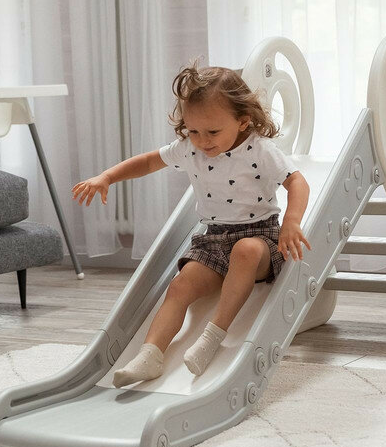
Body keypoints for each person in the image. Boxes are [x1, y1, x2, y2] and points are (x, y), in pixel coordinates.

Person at [73, 65, 311, 386]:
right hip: (212, 241)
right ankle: (150, 355)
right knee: (180, 286)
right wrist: (107, 177)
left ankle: (212, 337)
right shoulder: (190, 148)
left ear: (243, 121)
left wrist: (292, 222)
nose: (202, 141)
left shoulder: (259, 149)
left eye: (212, 132)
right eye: (193, 130)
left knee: (245, 251)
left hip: (259, 238)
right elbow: (149, 161)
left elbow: (297, 182)